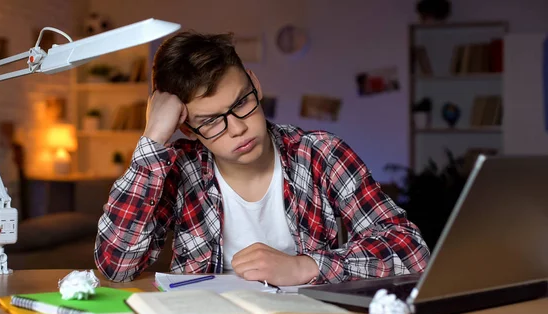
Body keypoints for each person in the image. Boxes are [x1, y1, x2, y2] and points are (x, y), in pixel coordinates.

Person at [94, 31, 430, 286]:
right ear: (187, 128)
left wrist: (306, 266)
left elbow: (411, 251)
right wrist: (153, 140)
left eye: (241, 103)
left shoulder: (320, 153)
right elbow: (117, 267)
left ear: (255, 84)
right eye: (211, 121)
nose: (238, 129)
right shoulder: (178, 168)